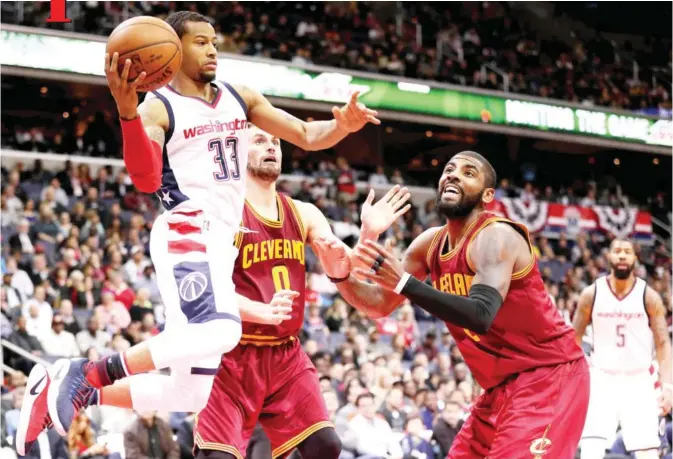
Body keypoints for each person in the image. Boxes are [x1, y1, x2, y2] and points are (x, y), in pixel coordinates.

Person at [17, 11, 380, 456]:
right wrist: (128, 113)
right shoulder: (159, 106)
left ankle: (73, 391)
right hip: (187, 227)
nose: (211, 50)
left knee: (191, 393)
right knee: (222, 332)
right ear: (170, 50)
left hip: (221, 241)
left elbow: (305, 133)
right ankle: (87, 373)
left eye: (214, 42)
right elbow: (146, 180)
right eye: (201, 42)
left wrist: (342, 125)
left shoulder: (238, 96)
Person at [313, 151, 590, 458]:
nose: (454, 175)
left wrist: (405, 282)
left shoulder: (496, 236)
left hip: (548, 376)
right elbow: (379, 304)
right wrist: (339, 273)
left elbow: (481, 314)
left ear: (487, 195)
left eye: (468, 173)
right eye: (449, 169)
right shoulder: (430, 243)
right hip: (499, 388)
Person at [192, 124, 411, 459]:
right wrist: (260, 310)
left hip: (285, 355)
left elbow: (342, 268)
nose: (271, 147)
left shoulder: (303, 212)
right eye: (260, 141)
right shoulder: (225, 212)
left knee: (326, 445)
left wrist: (367, 233)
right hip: (231, 355)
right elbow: (206, 290)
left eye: (276, 142)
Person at [573, 238, 672, 459]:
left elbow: (664, 344)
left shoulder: (649, 296)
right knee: (591, 449)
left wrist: (667, 387)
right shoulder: (591, 294)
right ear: (608, 256)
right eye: (617, 251)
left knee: (648, 452)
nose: (622, 255)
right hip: (602, 379)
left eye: (627, 251)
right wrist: (574, 381)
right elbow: (573, 341)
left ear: (635, 258)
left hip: (639, 382)